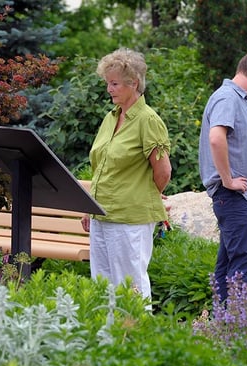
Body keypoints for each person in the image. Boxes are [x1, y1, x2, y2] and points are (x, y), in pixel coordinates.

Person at [81, 48, 171, 303]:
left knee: (130, 286)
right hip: (101, 214)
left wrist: (144, 195)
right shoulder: (111, 118)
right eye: (107, 83)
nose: (109, 89)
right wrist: (89, 208)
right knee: (103, 286)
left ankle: (135, 339)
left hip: (130, 218)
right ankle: (110, 341)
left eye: (114, 83)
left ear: (133, 83)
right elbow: (101, 168)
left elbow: (163, 171)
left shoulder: (147, 120)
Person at [198, 50, 247, 302]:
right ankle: (240, 329)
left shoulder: (239, 100)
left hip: (240, 198)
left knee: (227, 263)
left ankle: (222, 325)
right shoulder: (228, 98)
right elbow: (216, 137)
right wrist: (228, 180)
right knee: (242, 263)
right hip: (233, 197)